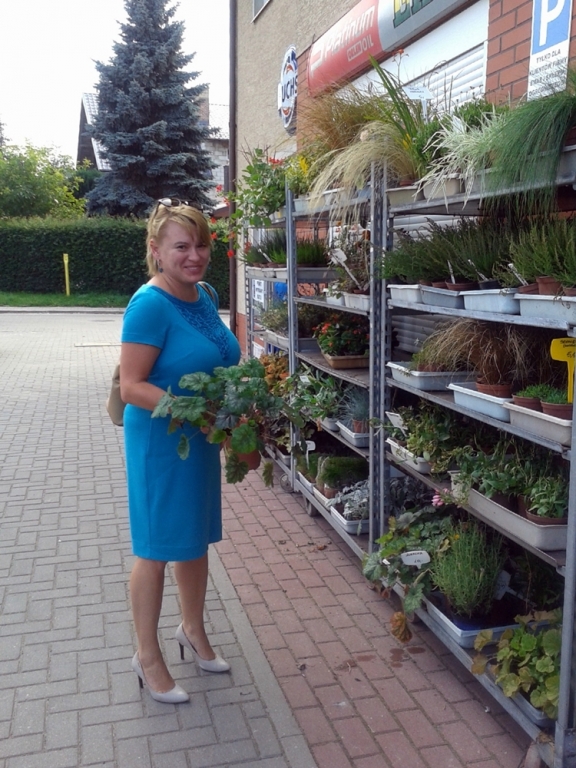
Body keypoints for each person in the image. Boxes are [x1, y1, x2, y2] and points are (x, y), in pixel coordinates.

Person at [120, 199, 241, 703]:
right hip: (161, 442)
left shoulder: (204, 294)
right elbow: (131, 386)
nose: (194, 255)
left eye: (202, 245)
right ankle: (147, 656)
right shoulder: (149, 304)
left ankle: (192, 629)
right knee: (155, 549)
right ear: (156, 250)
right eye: (181, 247)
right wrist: (193, 412)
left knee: (194, 540)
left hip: (199, 439)